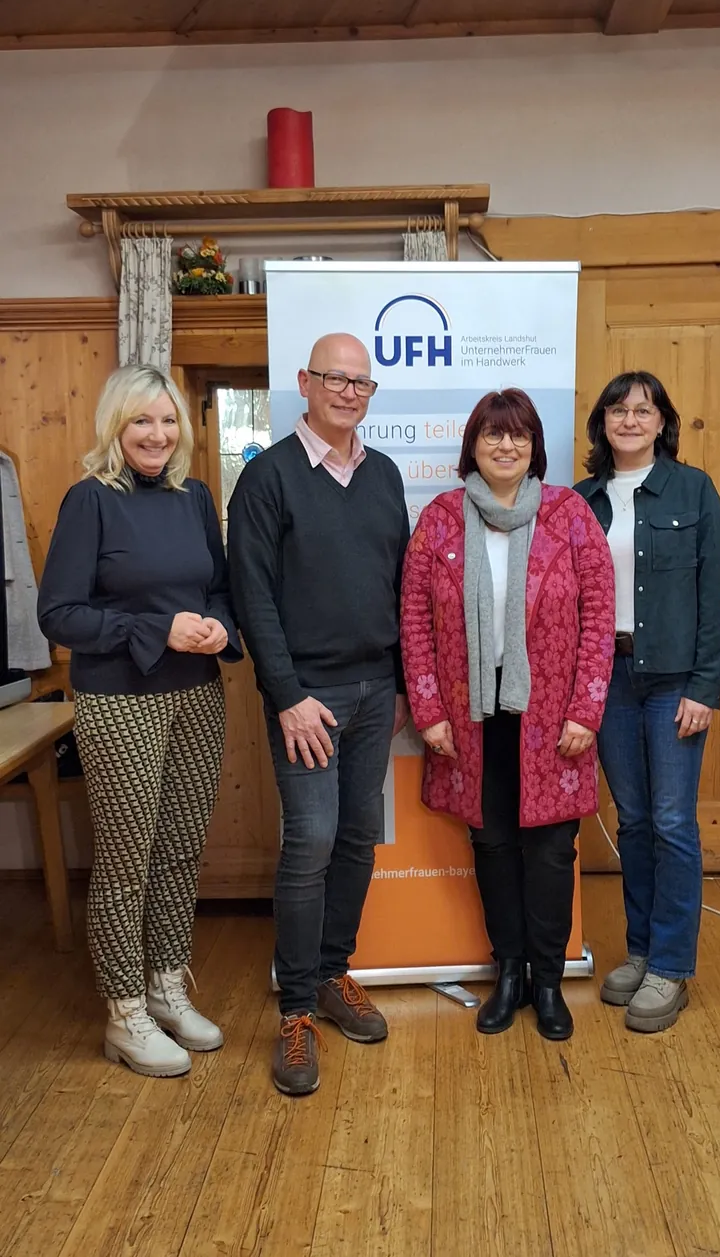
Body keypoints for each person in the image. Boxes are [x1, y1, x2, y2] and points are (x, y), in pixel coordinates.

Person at [38, 364, 242, 1078]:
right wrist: (157, 629)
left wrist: (217, 625)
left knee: (181, 850)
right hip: (120, 700)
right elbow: (59, 614)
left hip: (195, 695)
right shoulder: (90, 500)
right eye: (140, 422)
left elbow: (217, 588)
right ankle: (123, 1012)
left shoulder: (194, 498)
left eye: (167, 421)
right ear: (115, 429)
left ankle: (164, 986)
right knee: (127, 861)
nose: (157, 435)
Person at [227, 332, 410, 1097]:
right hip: (307, 697)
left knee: (360, 837)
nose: (347, 391)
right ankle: (297, 1007)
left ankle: (336, 973)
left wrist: (400, 682)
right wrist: (287, 695)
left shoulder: (385, 473)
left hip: (376, 692)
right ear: (304, 382)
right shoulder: (267, 478)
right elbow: (252, 597)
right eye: (334, 377)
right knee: (313, 840)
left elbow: (397, 581)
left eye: (360, 382)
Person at [401, 389, 615, 1041]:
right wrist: (429, 709)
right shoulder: (439, 518)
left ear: (533, 446)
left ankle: (548, 982)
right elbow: (412, 618)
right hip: (470, 718)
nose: (505, 445)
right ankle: (511, 973)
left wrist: (586, 707)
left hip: (552, 718)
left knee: (551, 852)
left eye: (518, 435)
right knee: (492, 846)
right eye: (493, 434)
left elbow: (600, 617)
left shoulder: (570, 514)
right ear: (474, 444)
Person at [575, 371, 720, 1032]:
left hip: (672, 682)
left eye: (644, 409)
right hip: (606, 677)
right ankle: (640, 951)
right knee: (633, 820)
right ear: (602, 422)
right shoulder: (581, 500)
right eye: (619, 409)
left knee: (671, 821)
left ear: (662, 421)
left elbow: (715, 598)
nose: (631, 419)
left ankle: (671, 965)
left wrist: (705, 687)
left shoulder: (693, 490)